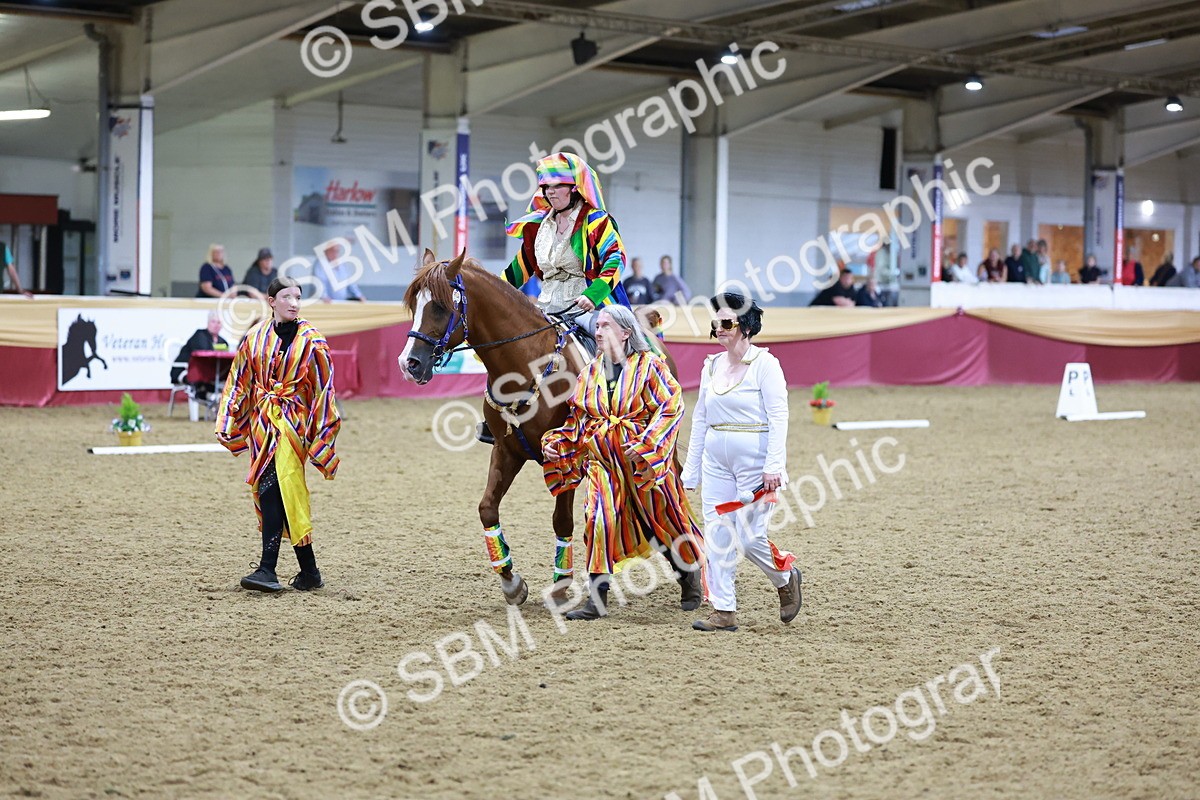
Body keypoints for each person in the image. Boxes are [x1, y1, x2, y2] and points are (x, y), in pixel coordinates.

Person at [540, 304, 704, 621]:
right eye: (597, 326)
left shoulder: (651, 366)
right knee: (597, 518)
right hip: (603, 461)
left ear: (626, 333)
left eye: (606, 326)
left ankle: (688, 574)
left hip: (643, 463)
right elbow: (579, 420)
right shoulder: (588, 374)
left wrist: (648, 444)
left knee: (660, 520)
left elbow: (671, 407)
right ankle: (596, 599)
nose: (598, 331)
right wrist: (557, 443)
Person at [681, 293, 801, 632]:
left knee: (748, 538)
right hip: (715, 462)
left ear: (745, 327)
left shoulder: (766, 365)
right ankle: (724, 610)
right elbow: (700, 417)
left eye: (726, 323)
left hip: (756, 461)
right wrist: (691, 469)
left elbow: (780, 415)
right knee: (717, 534)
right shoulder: (712, 366)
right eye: (715, 323)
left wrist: (774, 464)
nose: (718, 328)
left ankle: (785, 577)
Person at [215, 276, 341, 593]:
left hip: (294, 426)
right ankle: (308, 571)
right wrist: (228, 420)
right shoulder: (254, 339)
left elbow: (324, 390)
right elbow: (239, 381)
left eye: (298, 297)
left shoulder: (313, 342)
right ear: (272, 301)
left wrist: (322, 434)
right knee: (279, 491)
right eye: (287, 297)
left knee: (276, 487)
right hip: (262, 425)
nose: (294, 303)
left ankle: (266, 568)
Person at [504, 151, 631, 334]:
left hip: (588, 309)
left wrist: (593, 295)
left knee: (615, 347)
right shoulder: (536, 226)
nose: (550, 191)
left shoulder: (596, 221)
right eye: (546, 186)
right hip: (543, 311)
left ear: (575, 188)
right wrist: (487, 289)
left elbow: (616, 259)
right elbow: (517, 271)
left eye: (557, 186)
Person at [170, 311, 229, 399]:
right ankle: (209, 396)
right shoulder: (199, 335)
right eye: (213, 322)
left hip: (209, 375)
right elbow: (204, 354)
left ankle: (215, 398)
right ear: (208, 323)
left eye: (219, 322)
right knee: (200, 378)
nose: (216, 325)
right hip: (183, 370)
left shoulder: (223, 342)